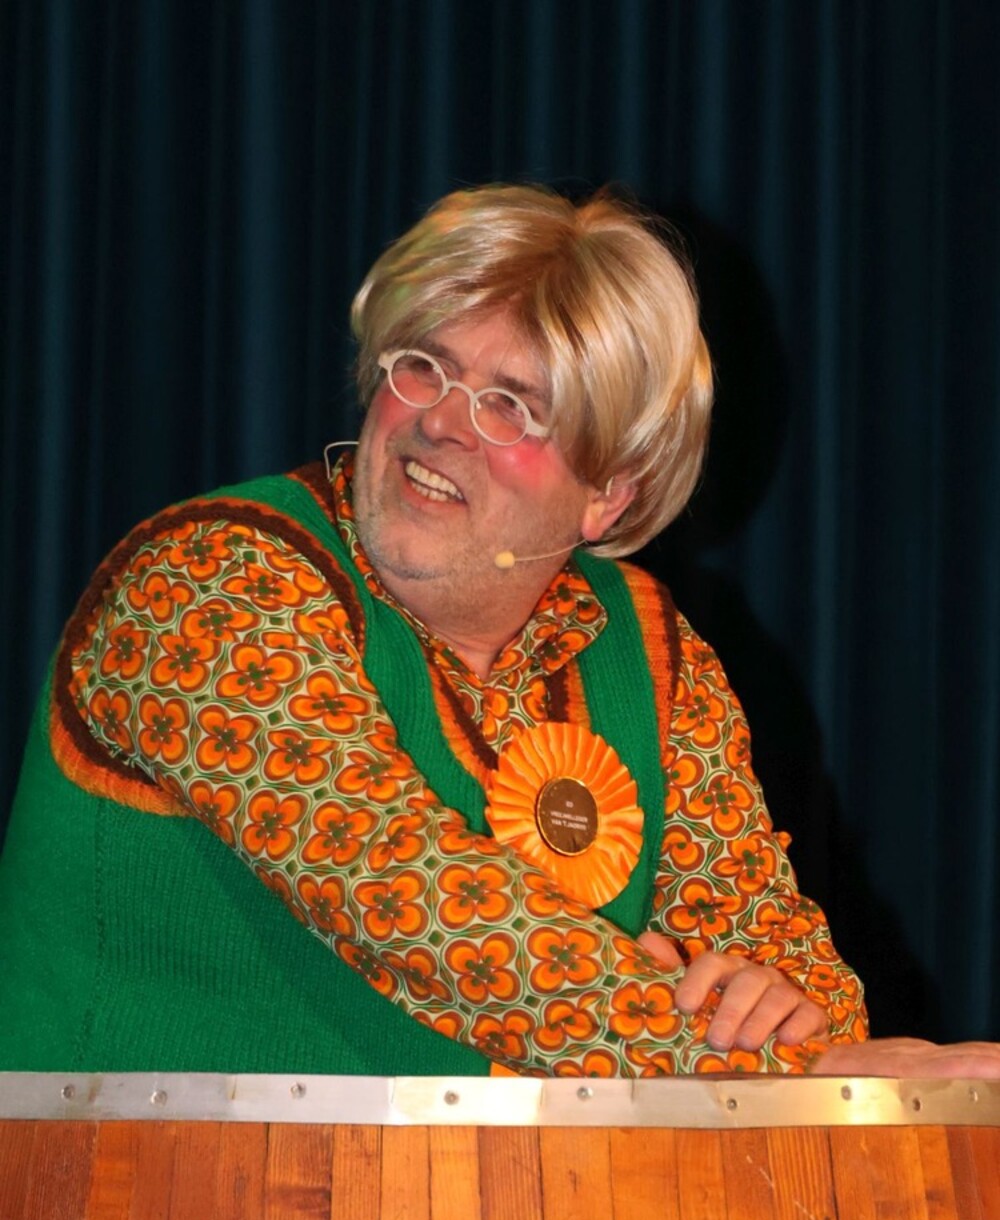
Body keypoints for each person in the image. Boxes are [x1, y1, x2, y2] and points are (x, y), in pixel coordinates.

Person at [2, 184, 996, 1080]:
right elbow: (407, 898)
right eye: (423, 367)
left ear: (607, 495)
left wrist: (784, 1020)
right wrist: (787, 1069)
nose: (442, 421)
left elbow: (787, 969)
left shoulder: (653, 652)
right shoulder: (210, 580)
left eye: (512, 407)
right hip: (139, 1219)